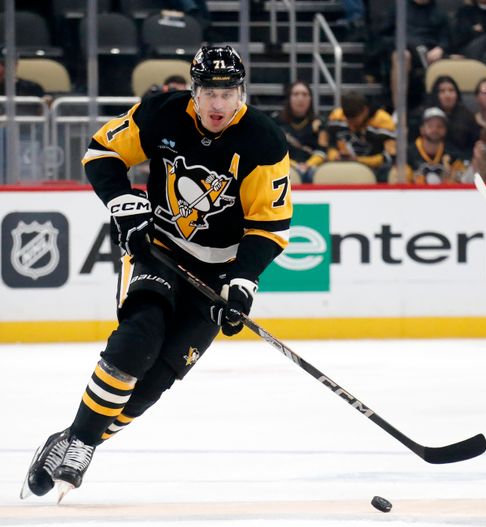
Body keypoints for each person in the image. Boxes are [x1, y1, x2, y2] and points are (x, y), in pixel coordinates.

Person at [21, 45, 293, 501]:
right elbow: (102, 153)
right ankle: (84, 444)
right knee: (139, 338)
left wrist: (243, 280)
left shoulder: (264, 141)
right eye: (209, 91)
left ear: (241, 92)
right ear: (194, 89)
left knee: (153, 383)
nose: (218, 104)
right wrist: (122, 203)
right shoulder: (162, 114)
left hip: (219, 271)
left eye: (228, 92)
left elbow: (269, 226)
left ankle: (70, 439)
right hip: (160, 250)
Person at [319, 90, 396, 183]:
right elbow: (329, 145)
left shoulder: (384, 121)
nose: (351, 126)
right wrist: (335, 156)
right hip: (341, 166)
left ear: (365, 111)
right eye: (348, 121)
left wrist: (359, 160)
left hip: (374, 169)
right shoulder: (337, 116)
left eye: (354, 121)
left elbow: (389, 156)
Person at [413, 75, 480, 162]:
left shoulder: (468, 117)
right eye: (442, 91)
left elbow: (472, 147)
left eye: (451, 91)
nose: (447, 95)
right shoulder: (423, 115)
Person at [272, 80, 325, 183]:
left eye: (305, 94)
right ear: (289, 98)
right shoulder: (275, 122)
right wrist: (294, 165)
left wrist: (309, 164)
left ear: (311, 99)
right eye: (296, 94)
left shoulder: (320, 122)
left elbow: (322, 150)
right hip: (285, 166)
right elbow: (273, 151)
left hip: (312, 167)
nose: (300, 98)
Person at [401, 107, 466, 184]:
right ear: (422, 129)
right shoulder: (407, 154)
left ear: (445, 130)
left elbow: (462, 182)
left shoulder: (453, 154)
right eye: (430, 126)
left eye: (440, 126)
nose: (435, 130)